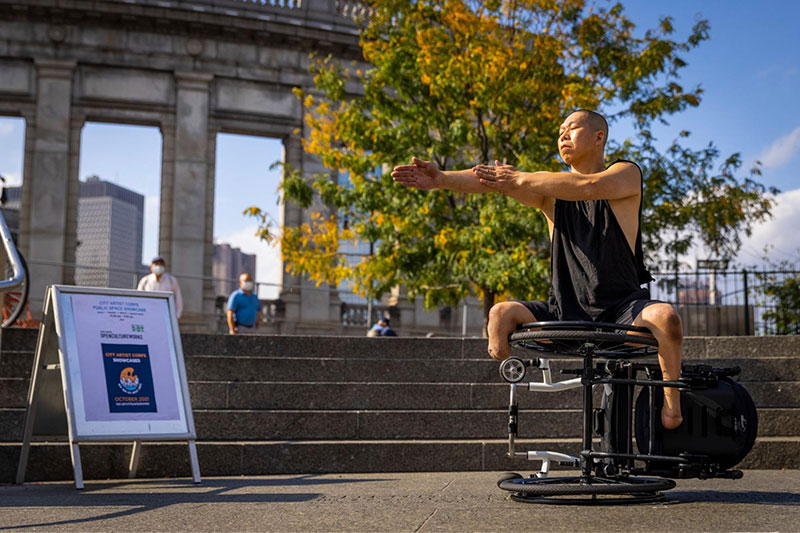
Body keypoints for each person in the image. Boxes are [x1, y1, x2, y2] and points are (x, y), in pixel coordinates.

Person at [391, 109, 684, 430]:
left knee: (666, 317)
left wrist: (519, 177)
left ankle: (672, 405)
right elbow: (492, 182)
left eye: (571, 128)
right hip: (565, 312)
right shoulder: (550, 195)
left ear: (599, 137)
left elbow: (589, 187)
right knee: (499, 314)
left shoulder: (626, 173)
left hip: (622, 310)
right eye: (559, 131)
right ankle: (514, 388)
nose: (562, 135)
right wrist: (443, 179)